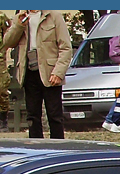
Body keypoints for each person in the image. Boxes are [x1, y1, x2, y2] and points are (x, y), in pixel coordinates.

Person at [4, 10, 71, 139]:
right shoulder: (20, 17)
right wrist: (18, 25)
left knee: (54, 115)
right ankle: (37, 149)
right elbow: (8, 42)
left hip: (49, 72)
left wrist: (58, 72)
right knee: (32, 116)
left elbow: (65, 48)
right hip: (29, 72)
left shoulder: (54, 16)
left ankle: (57, 149)